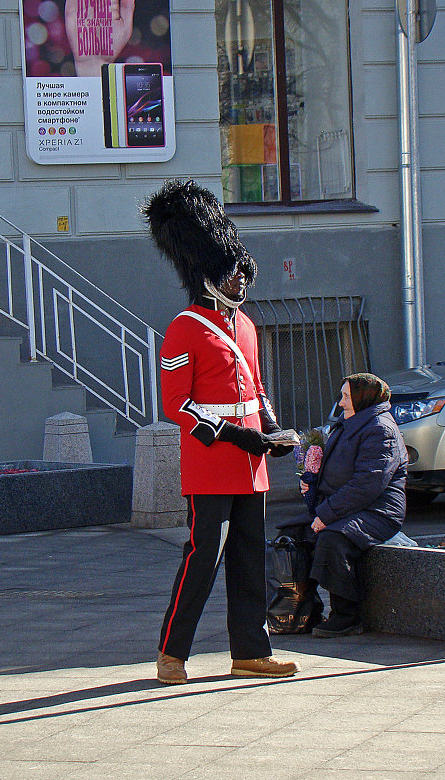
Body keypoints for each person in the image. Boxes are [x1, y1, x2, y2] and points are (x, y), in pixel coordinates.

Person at [141, 179, 300, 684]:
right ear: (209, 274)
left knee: (250, 559)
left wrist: (272, 431)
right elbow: (178, 406)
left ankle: (250, 650)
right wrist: (239, 437)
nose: (242, 283)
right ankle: (173, 652)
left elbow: (256, 390)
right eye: (234, 276)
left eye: (244, 275)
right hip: (211, 464)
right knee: (202, 560)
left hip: (251, 466)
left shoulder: (247, 326)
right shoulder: (184, 327)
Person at [302, 373, 408, 637]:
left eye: (346, 397)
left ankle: (347, 616)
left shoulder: (380, 429)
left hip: (378, 511)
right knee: (293, 537)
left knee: (332, 539)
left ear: (363, 398)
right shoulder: (349, 423)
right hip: (347, 506)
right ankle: (301, 610)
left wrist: (325, 515)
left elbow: (368, 484)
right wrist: (311, 485)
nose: (341, 403)